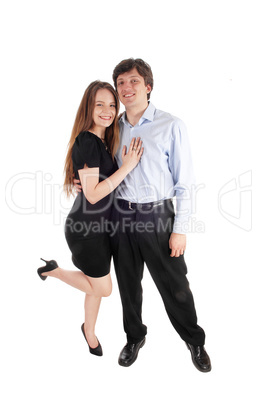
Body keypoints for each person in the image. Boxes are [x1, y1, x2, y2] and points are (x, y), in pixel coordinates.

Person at [74, 59, 211, 372]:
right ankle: (134, 336)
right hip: (120, 217)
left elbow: (185, 182)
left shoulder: (170, 125)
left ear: (148, 86)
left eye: (133, 81)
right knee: (128, 285)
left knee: (175, 284)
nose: (126, 88)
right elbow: (95, 163)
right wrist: (79, 181)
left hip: (158, 217)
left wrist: (181, 229)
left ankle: (195, 340)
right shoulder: (112, 127)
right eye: (121, 82)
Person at [37, 80, 143, 356]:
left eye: (112, 105)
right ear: (88, 107)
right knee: (105, 288)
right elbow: (94, 195)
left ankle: (90, 331)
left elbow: (95, 187)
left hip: (102, 227)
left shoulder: (103, 142)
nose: (107, 110)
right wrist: (128, 166)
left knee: (94, 285)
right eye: (100, 104)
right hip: (85, 229)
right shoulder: (87, 140)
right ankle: (54, 270)